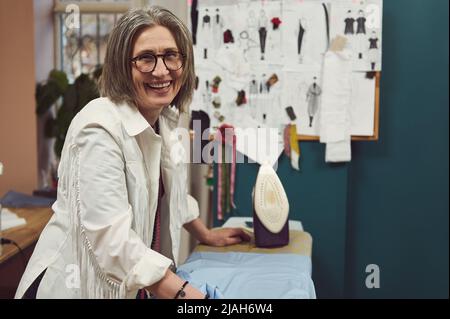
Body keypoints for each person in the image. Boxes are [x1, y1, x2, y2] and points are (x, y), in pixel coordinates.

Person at [15, 7, 250, 299]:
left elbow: (170, 189)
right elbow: (114, 243)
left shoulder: (163, 118)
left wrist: (205, 233)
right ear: (121, 66)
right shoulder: (98, 128)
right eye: (146, 58)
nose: (162, 70)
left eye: (170, 55)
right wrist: (188, 298)